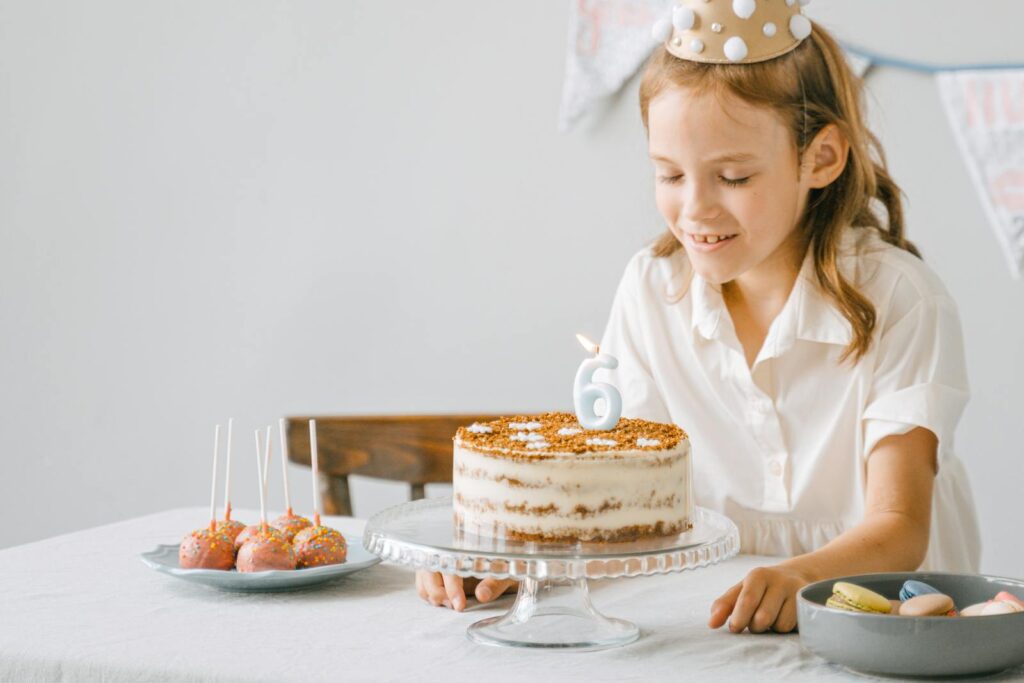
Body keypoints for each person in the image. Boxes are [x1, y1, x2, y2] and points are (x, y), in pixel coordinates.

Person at [417, 2, 980, 632]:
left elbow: (900, 528)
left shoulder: (900, 300)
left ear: (820, 158)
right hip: (719, 623)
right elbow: (623, 509)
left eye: (733, 176)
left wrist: (798, 573)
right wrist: (520, 561)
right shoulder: (653, 291)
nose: (694, 209)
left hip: (891, 623)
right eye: (669, 174)